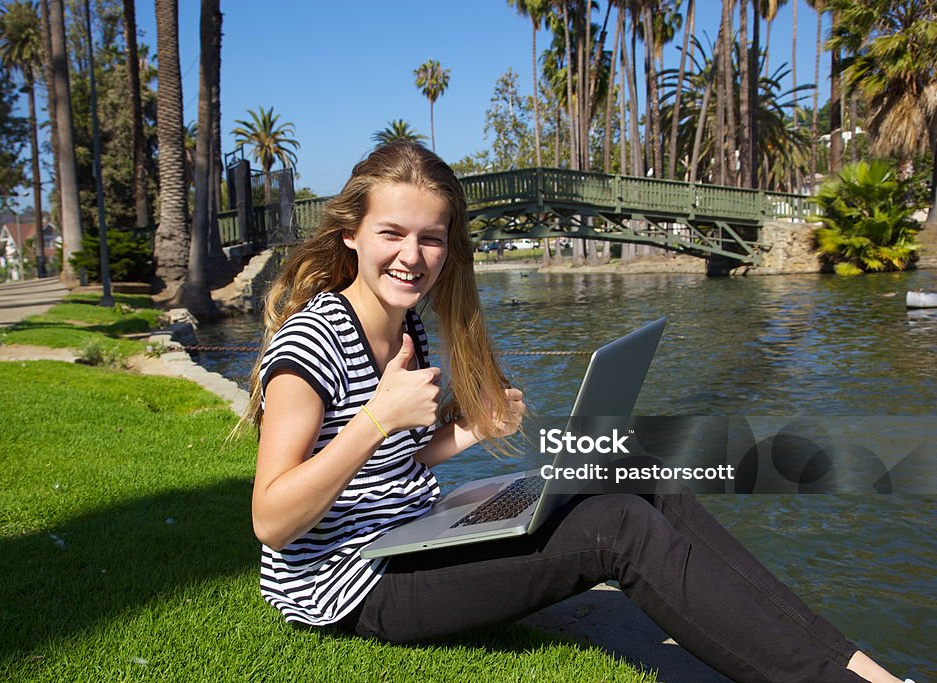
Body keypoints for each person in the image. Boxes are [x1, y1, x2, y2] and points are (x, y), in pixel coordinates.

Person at [244, 141, 909, 683]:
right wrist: (378, 419)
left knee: (627, 463)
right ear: (351, 234)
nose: (412, 256)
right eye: (392, 232)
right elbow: (272, 519)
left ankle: (856, 666)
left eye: (431, 238)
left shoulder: (405, 327)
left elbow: (387, 466)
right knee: (615, 528)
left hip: (408, 532)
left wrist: (471, 431)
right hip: (352, 584)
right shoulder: (311, 341)